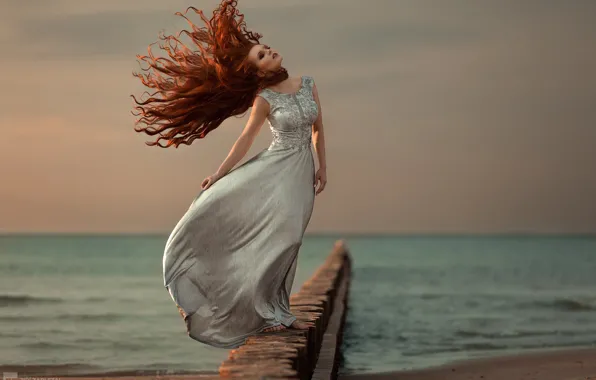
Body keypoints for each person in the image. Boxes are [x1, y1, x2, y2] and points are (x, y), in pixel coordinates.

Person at [130, 0, 327, 348]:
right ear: (259, 73)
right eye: (262, 57)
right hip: (274, 172)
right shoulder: (263, 99)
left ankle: (276, 310)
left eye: (266, 49)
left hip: (302, 171)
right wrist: (219, 174)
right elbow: (245, 140)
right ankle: (272, 314)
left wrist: (322, 165)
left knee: (292, 237)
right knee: (285, 238)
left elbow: (318, 131)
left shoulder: (308, 83)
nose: (269, 53)